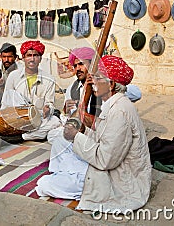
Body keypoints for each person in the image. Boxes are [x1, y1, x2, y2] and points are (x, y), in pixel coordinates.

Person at [60, 55, 151, 213]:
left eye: (98, 78)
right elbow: (103, 135)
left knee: (48, 184)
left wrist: (76, 136)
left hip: (121, 180)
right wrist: (83, 131)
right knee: (60, 149)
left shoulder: (119, 111)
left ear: (112, 84)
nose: (92, 82)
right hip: (110, 162)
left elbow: (105, 160)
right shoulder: (114, 104)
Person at [1, 40, 61, 142]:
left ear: (40, 58)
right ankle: (36, 134)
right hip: (18, 118)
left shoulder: (49, 79)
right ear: (23, 58)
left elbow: (50, 104)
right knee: (13, 95)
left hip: (38, 118)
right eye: (29, 55)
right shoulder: (13, 76)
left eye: (35, 55)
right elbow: (6, 102)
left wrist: (48, 108)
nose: (32, 59)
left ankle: (19, 138)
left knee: (56, 122)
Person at [36, 117, 88, 200]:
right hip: (73, 170)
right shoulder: (62, 141)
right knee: (57, 138)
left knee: (44, 184)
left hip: (89, 177)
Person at [0, 42, 23, 107]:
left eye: (10, 57)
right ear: (1, 57)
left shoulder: (21, 69)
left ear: (15, 57)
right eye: (4, 57)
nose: (6, 60)